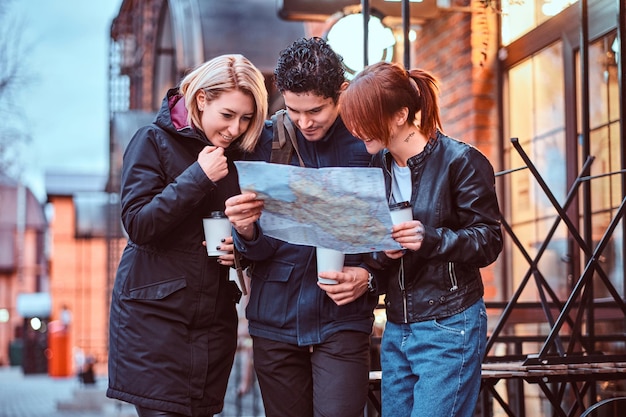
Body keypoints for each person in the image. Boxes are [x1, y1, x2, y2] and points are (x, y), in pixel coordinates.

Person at [223, 37, 379, 417]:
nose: (305, 122)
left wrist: (371, 274)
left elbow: (394, 230)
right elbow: (256, 252)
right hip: (274, 319)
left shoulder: (369, 144)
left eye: (316, 110)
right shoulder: (263, 143)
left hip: (344, 318)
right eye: (293, 110)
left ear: (341, 93)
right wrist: (245, 232)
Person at [106, 54, 268, 417]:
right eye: (227, 115)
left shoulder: (238, 157)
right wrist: (198, 176)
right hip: (154, 321)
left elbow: (252, 235)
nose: (235, 128)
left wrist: (238, 246)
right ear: (200, 100)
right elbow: (138, 224)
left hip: (212, 322)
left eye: (245, 118)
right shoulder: (151, 140)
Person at [339, 61, 503, 417]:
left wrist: (429, 239)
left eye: (363, 119)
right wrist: (380, 256)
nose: (355, 130)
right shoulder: (376, 168)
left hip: (450, 323)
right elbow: (381, 251)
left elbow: (489, 240)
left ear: (400, 115)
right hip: (397, 326)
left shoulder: (460, 161)